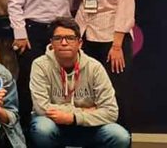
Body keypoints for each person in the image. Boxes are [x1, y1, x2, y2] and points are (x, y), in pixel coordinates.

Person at [8, 0, 78, 129]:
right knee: (29, 83)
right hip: (32, 33)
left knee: (61, 82)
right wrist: (20, 33)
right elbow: (14, 1)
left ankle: (56, 131)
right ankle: (26, 135)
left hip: (63, 33)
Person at [74, 0, 139, 126]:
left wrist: (117, 45)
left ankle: (120, 139)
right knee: (88, 94)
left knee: (115, 94)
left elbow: (126, 6)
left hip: (112, 41)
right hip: (87, 37)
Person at [29, 18, 130, 148]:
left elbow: (111, 111)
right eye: (58, 38)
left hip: (89, 126)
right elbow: (41, 108)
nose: (64, 43)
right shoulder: (40, 65)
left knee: (120, 136)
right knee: (42, 128)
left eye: (70, 38)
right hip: (54, 124)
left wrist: (73, 117)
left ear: (80, 43)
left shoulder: (94, 67)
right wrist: (85, 111)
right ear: (51, 43)